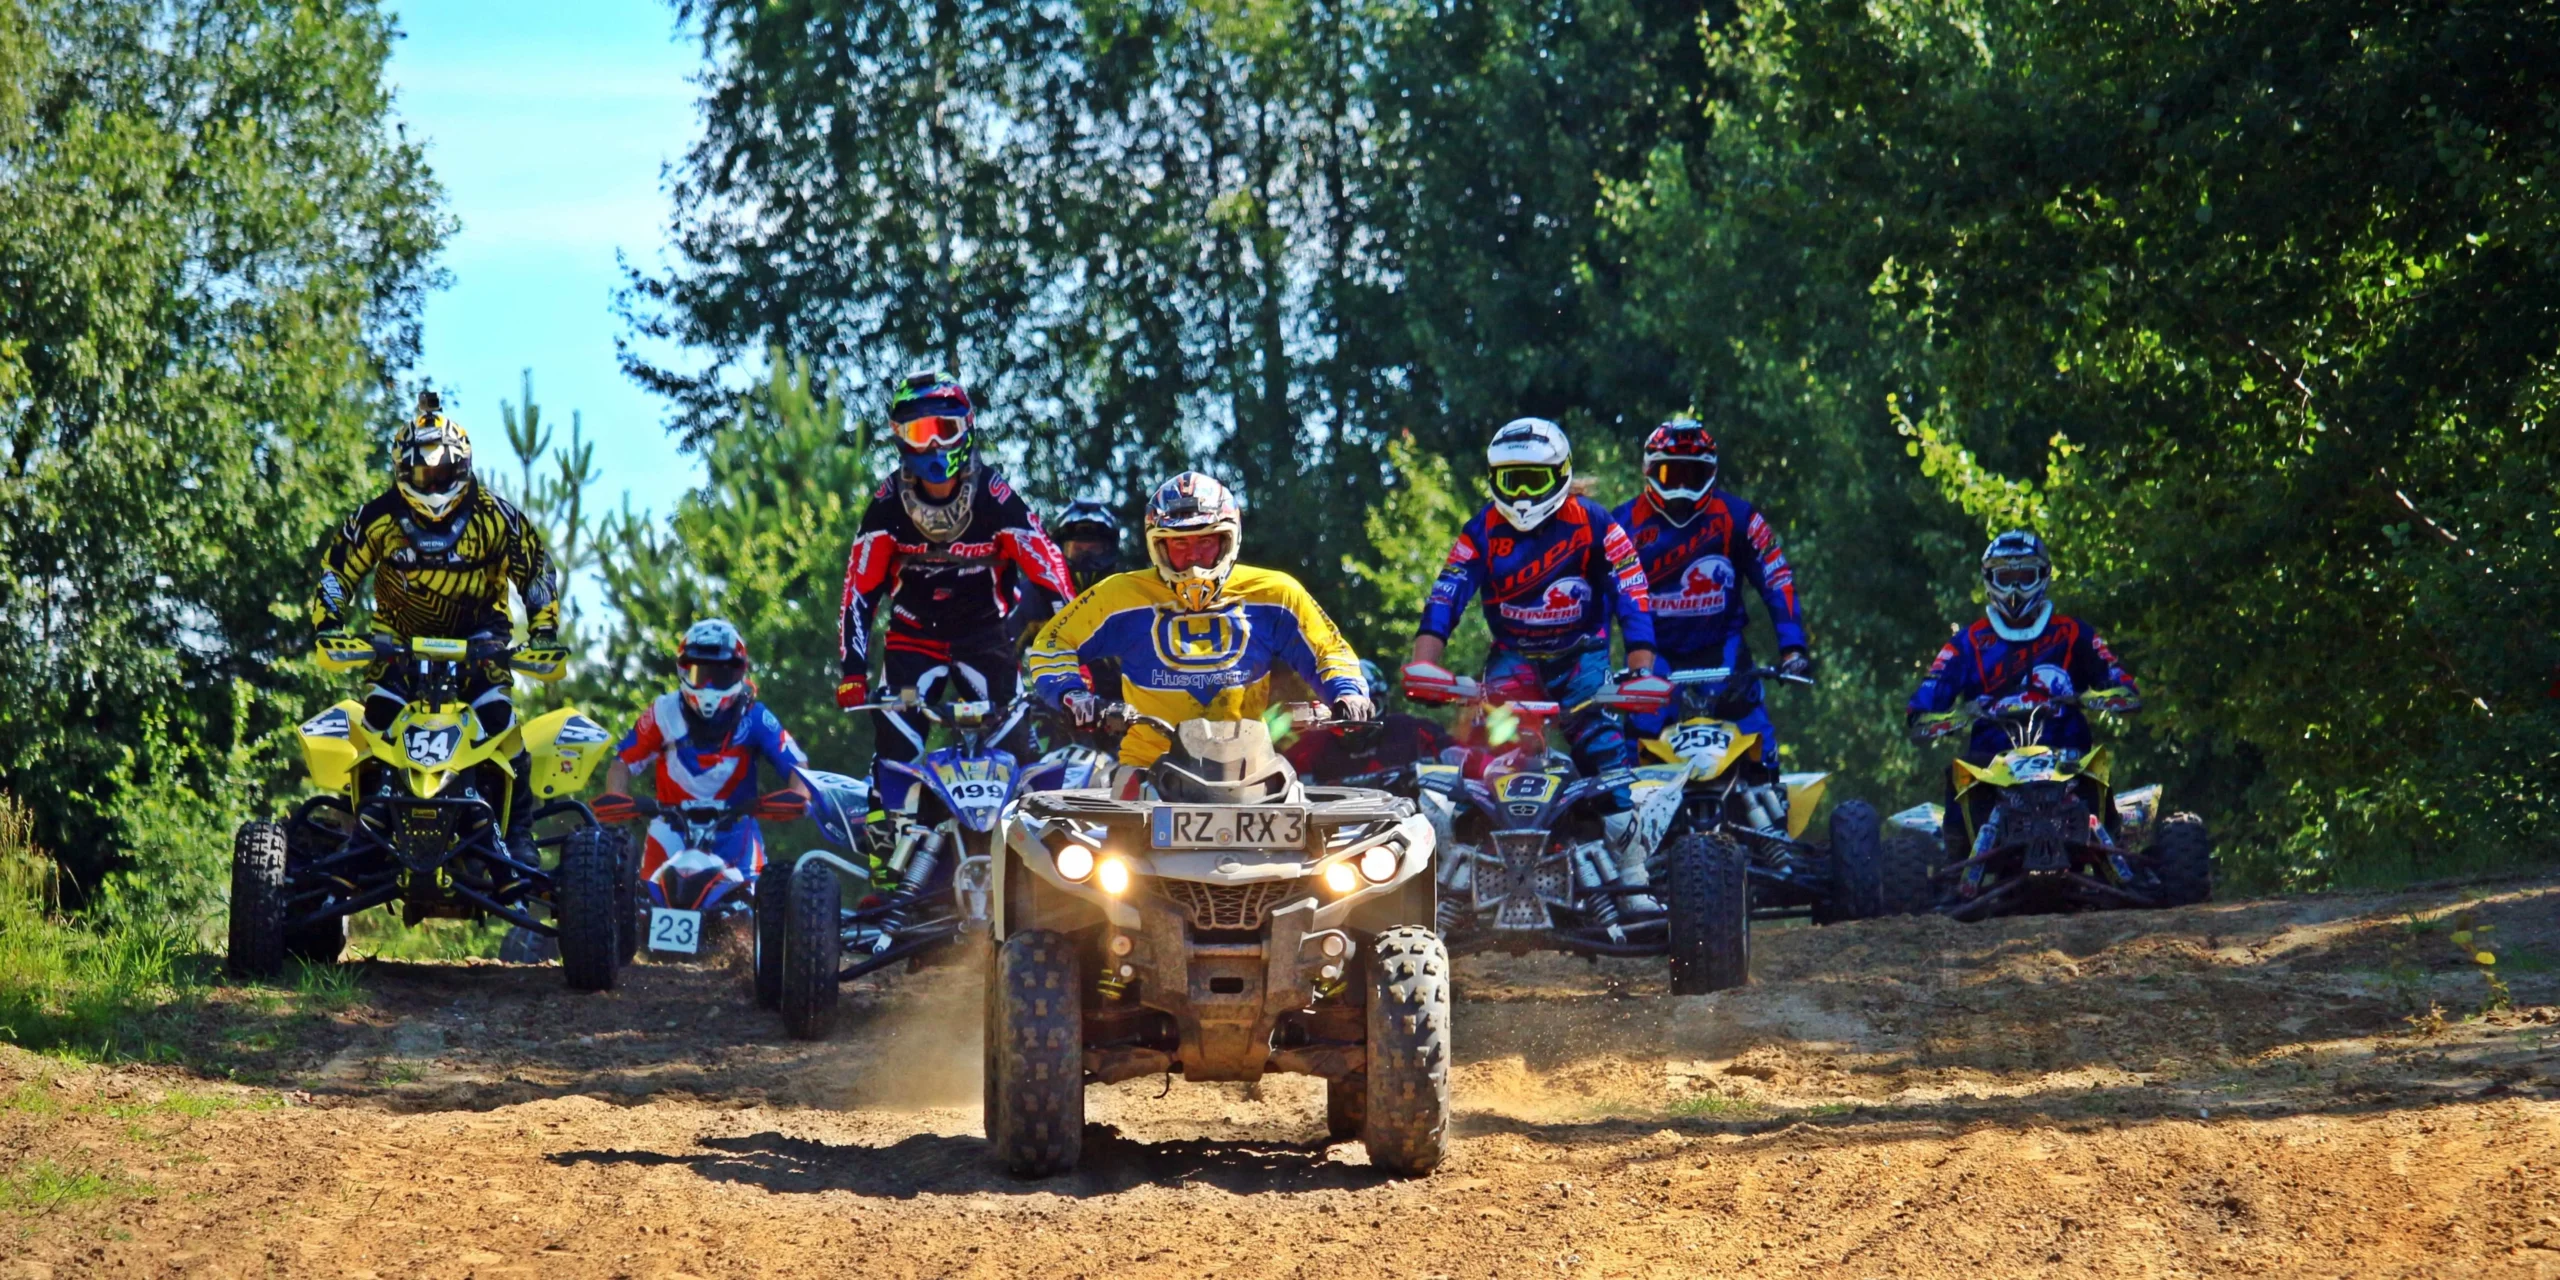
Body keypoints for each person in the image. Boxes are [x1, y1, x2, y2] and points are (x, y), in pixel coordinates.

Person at [311, 390, 566, 860]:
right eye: (422, 473)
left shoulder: (497, 517)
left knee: (503, 725)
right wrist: (329, 624)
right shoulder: (378, 518)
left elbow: (536, 571)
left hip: (480, 653)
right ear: (402, 470)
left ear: (462, 468)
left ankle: (518, 837)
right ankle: (360, 834)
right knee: (374, 727)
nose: (432, 483)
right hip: (397, 653)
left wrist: (544, 632)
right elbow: (337, 570)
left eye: (441, 472)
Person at [836, 372, 1076, 835]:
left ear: (966, 429)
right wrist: (852, 671)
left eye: (943, 430)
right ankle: (891, 876)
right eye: (917, 433)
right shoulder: (886, 505)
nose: (932, 447)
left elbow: (1052, 574)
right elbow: (859, 590)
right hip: (912, 639)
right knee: (894, 753)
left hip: (986, 638)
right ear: (899, 440)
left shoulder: (995, 497)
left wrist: (1073, 658)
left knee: (1018, 752)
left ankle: (1033, 866)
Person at [1401, 417, 1668, 806]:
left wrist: (1641, 670)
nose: (1523, 494)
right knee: (1479, 769)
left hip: (1581, 659)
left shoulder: (1594, 522)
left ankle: (1630, 865)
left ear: (1561, 475)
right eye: (1512, 481)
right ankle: (1461, 853)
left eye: (1534, 480)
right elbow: (1446, 594)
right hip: (1514, 660)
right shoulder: (1481, 529)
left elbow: (1632, 591)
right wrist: (1424, 665)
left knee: (1608, 765)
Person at [1027, 471, 1372, 771]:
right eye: (1179, 544)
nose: (1193, 555)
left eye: (1205, 541)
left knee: (1308, 844)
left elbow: (1328, 649)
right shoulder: (1119, 594)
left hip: (1251, 768)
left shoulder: (1276, 593)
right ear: (1157, 546)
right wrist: (1071, 694)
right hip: (1148, 766)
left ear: (1228, 539)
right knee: (1099, 845)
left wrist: (1348, 694)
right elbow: (1052, 641)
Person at [1906, 531, 2143, 882]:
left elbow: (2126, 688)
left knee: (2097, 769)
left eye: (2024, 577)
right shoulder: (1968, 643)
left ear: (2042, 576)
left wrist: (2088, 698)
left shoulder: (2073, 633)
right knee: (1958, 775)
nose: (2015, 589)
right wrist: (1957, 716)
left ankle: (2116, 853)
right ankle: (1951, 872)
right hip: (1991, 765)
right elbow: (1921, 711)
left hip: (2068, 759)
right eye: (2006, 578)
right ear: (1990, 580)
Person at [1613, 418, 1811, 766]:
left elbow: (1776, 578)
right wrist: (1595, 662)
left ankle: (1770, 815)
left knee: (1759, 750)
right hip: (1653, 659)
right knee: (1633, 751)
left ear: (1711, 473)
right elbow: (1600, 593)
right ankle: (1628, 814)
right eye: (1669, 475)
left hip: (1725, 655)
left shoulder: (1740, 517)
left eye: (1692, 475)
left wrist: (1792, 647)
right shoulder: (1622, 525)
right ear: (1648, 471)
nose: (1681, 487)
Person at [596, 620, 810, 890]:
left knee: (760, 909)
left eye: (719, 676)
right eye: (700, 674)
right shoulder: (663, 711)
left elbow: (796, 764)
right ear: (683, 671)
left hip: (735, 827)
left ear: (739, 673)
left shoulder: (755, 715)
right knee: (638, 902)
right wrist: (618, 804)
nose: (708, 686)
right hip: (671, 827)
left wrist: (798, 796)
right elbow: (623, 761)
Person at [1284, 660, 1451, 784]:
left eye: (1367, 709)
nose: (1357, 722)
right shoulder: (1310, 748)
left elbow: (1460, 761)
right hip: (1335, 829)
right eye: (1345, 712)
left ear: (1383, 703)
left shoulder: (1415, 733)